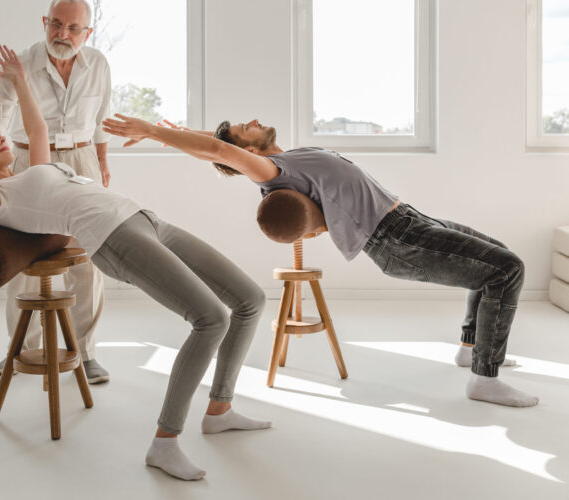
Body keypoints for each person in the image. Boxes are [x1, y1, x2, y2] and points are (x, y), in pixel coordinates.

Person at [0, 48, 271, 481]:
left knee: (250, 299)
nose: (1, 138)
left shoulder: (30, 173)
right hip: (114, 238)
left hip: (147, 220)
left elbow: (37, 129)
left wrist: (20, 82)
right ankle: (165, 442)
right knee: (210, 318)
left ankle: (220, 407)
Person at [101, 115, 538, 408]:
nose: (254, 121)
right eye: (244, 128)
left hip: (410, 219)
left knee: (494, 259)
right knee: (506, 268)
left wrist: (181, 135)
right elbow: (224, 155)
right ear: (248, 150)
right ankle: (485, 377)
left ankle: (471, 348)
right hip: (399, 238)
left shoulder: (289, 159)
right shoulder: (273, 170)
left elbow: (218, 151)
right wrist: (159, 134)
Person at [0, 0, 111, 383]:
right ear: (44, 22)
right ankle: (21, 348)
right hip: (26, 163)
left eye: (73, 28)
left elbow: (101, 120)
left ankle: (84, 353)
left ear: (87, 32)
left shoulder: (99, 64)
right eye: (56, 24)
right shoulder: (20, 64)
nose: (62, 34)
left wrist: (102, 163)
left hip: (82, 161)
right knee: (22, 262)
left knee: (88, 261)